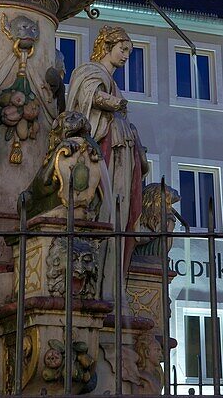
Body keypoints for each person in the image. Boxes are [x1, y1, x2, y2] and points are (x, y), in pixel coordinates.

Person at [67, 26, 148, 274]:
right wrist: (116, 103)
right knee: (106, 206)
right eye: (122, 50)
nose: (125, 56)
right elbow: (88, 95)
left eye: (129, 52)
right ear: (107, 46)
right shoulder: (90, 71)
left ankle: (112, 269)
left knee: (121, 212)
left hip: (123, 151)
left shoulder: (111, 80)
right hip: (106, 148)